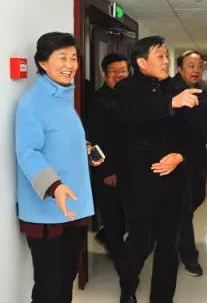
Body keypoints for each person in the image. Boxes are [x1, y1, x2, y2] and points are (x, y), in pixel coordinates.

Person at [115, 36, 202, 303]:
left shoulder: (174, 88)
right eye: (160, 56)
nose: (166, 61)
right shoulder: (126, 89)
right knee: (141, 241)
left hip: (172, 181)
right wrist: (171, 104)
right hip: (139, 181)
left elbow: (191, 136)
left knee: (168, 244)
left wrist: (179, 156)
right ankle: (128, 287)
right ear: (142, 62)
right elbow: (134, 115)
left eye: (167, 55)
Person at [15, 32, 99, 303]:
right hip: (47, 211)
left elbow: (58, 137)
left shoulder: (62, 97)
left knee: (66, 279)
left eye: (73, 58)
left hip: (72, 206)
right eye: (62, 58)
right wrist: (55, 186)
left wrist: (85, 149)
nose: (70, 65)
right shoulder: (32, 102)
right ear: (42, 63)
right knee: (50, 288)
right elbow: (28, 152)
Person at [170, 50, 207, 276]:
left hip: (198, 155)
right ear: (180, 67)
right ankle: (188, 255)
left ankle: (173, 232)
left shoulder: (205, 91)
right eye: (191, 65)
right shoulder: (169, 90)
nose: (196, 70)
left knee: (198, 197)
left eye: (199, 65)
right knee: (184, 208)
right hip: (176, 158)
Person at [86, 53, 130, 274]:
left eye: (123, 71)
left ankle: (106, 237)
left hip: (131, 168)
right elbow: (94, 139)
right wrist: (106, 170)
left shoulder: (133, 96)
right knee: (112, 216)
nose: (119, 75)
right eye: (114, 71)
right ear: (105, 74)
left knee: (129, 214)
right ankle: (121, 261)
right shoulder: (97, 100)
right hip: (108, 170)